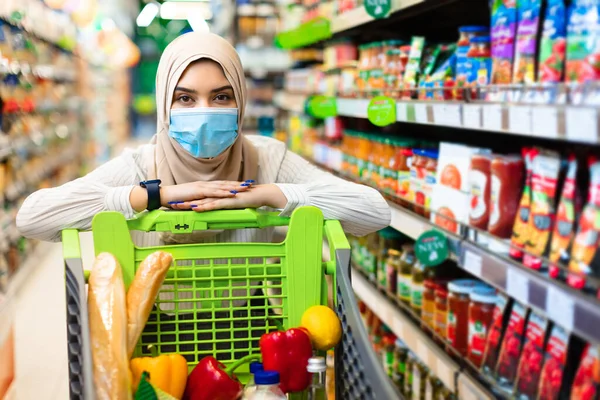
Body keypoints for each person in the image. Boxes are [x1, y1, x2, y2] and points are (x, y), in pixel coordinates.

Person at [16, 31, 390, 244]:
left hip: (251, 330)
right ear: (165, 104)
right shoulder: (141, 166)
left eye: (222, 97)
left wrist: (269, 194)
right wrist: (153, 196)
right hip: (159, 336)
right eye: (185, 98)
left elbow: (373, 210)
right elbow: (33, 217)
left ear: (240, 101)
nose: (204, 111)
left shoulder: (268, 159)